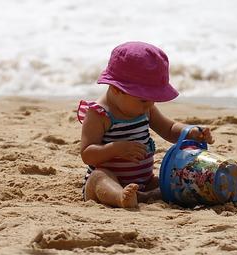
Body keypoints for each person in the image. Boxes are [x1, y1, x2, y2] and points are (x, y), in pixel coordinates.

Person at [77, 41, 214, 208]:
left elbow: (169, 129)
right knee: (99, 177)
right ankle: (120, 196)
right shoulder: (99, 114)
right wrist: (116, 149)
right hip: (106, 181)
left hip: (143, 181)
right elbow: (87, 154)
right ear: (116, 89)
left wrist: (190, 131)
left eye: (153, 98)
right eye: (143, 98)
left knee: (171, 181)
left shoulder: (145, 108)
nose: (149, 104)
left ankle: (143, 196)